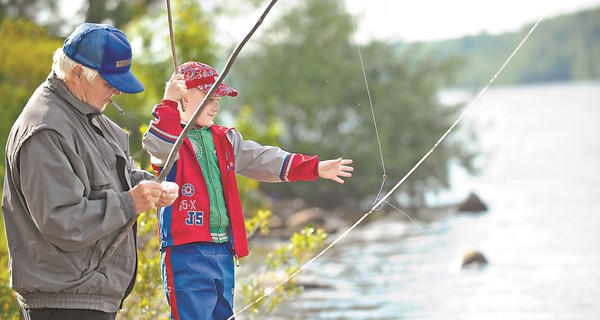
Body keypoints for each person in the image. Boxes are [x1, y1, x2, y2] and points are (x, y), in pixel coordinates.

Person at [142, 61, 354, 319]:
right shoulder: (169, 139)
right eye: (210, 98)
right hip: (186, 251)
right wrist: (168, 102)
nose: (216, 106)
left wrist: (315, 167)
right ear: (185, 96)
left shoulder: (225, 138)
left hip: (222, 250)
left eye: (218, 99)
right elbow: (157, 145)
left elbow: (266, 159)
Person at [1, 23, 178, 320]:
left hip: (86, 298)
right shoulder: (45, 129)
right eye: (109, 83)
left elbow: (114, 177)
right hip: (64, 302)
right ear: (78, 73)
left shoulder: (89, 114)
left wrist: (149, 187)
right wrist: (130, 202)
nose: (117, 92)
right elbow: (62, 221)